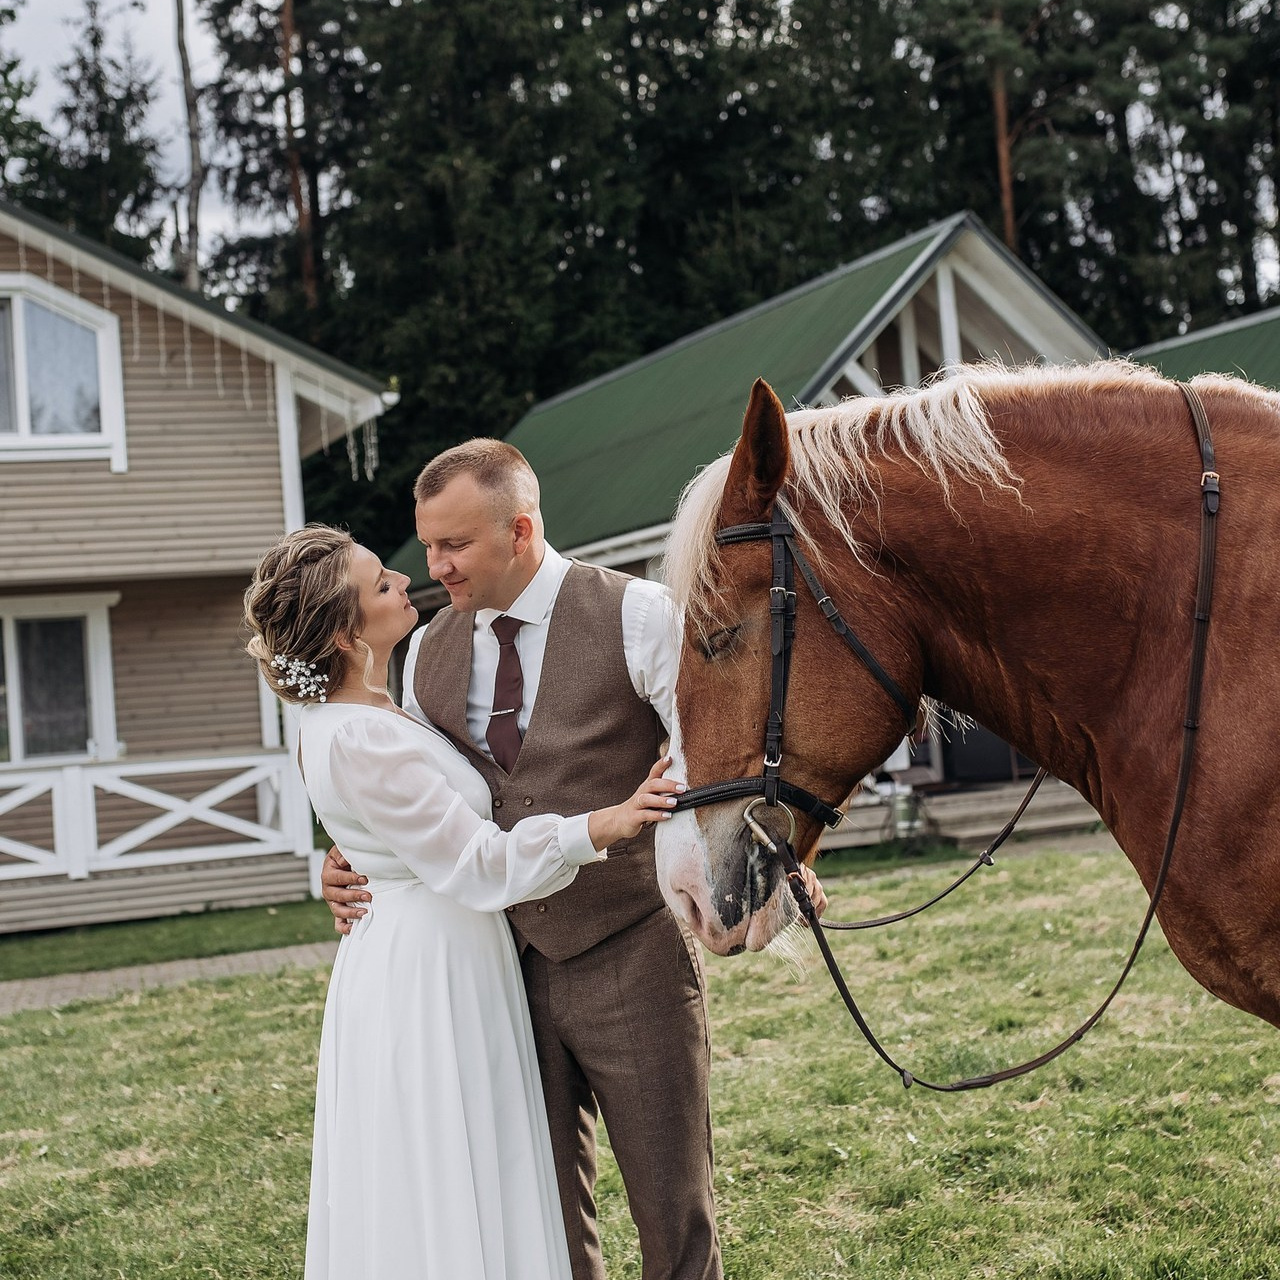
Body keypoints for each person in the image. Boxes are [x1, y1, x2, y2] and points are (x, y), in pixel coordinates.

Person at [322, 441, 828, 1280]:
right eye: (428, 545)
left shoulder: (639, 614)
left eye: (454, 546)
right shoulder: (421, 655)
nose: (433, 567)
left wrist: (769, 866)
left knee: (675, 1217)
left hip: (631, 956)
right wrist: (348, 863)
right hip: (493, 981)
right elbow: (410, 798)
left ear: (519, 531)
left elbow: (721, 761)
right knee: (538, 1228)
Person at [243, 524, 684, 1280]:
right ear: (347, 633)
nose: (408, 579)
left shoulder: (378, 706)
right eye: (381, 583)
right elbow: (471, 859)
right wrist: (604, 824)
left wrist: (362, 856)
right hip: (434, 971)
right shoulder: (360, 729)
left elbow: (394, 823)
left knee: (481, 1166)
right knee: (454, 1167)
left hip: (482, 949)